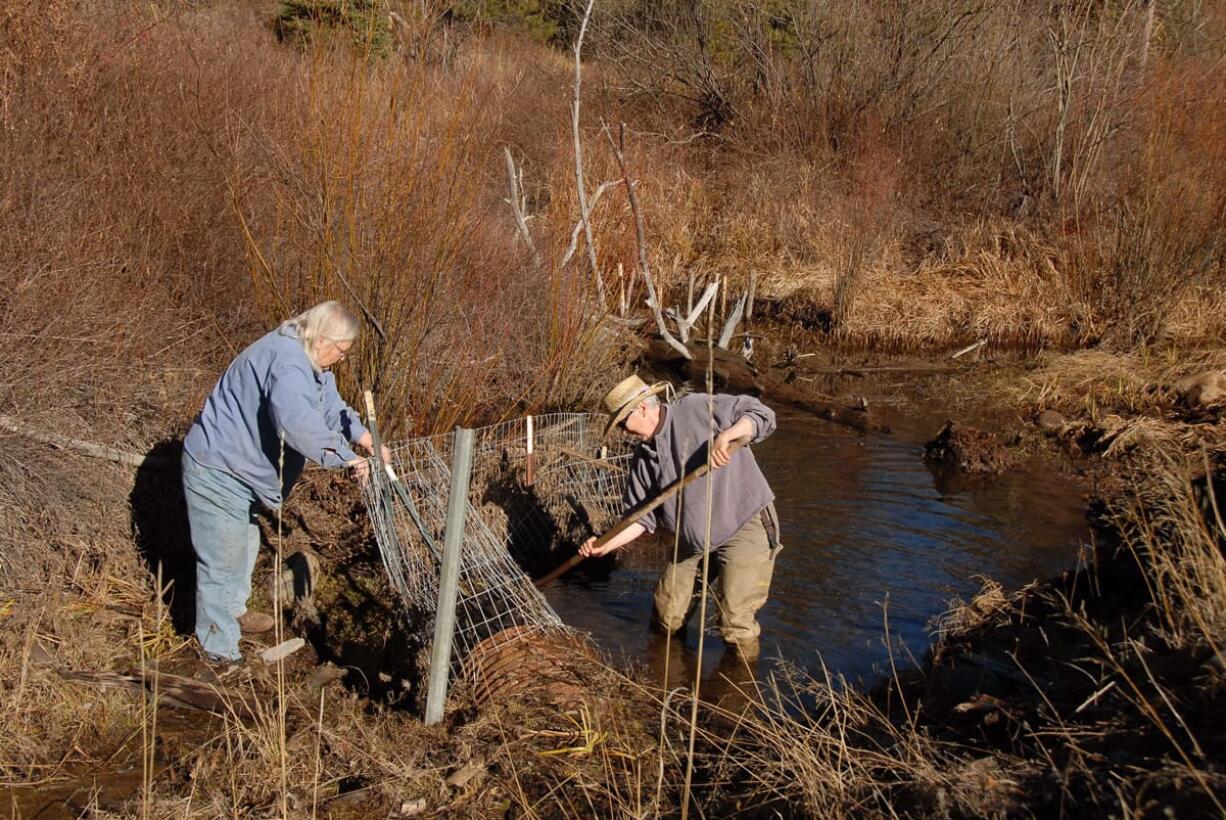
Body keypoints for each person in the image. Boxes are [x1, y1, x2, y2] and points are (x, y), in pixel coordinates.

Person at [181, 300, 385, 663]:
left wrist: (362, 435)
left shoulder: (310, 361)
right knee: (221, 562)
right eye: (340, 351)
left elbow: (329, 407)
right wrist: (346, 458)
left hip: (240, 473)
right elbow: (298, 424)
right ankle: (219, 655)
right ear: (323, 338)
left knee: (245, 541)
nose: (340, 359)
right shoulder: (288, 363)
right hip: (219, 468)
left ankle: (233, 612)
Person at [579, 375, 782, 660]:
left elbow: (762, 415)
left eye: (623, 423)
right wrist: (604, 545)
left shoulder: (696, 408)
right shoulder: (643, 458)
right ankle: (667, 674)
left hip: (743, 526)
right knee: (667, 614)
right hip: (693, 538)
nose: (623, 432)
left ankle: (740, 687)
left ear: (642, 409)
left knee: (734, 624)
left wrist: (728, 435)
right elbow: (640, 519)